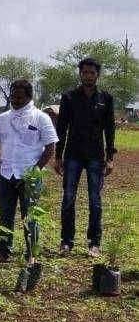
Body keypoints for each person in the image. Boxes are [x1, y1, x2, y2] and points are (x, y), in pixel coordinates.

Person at [54, 57, 116, 258]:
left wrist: (110, 157)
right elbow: (61, 128)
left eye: (92, 72)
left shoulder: (105, 99)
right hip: (73, 155)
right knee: (69, 198)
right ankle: (66, 241)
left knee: (95, 200)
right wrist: (58, 156)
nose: (88, 75)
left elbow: (110, 129)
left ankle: (94, 243)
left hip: (96, 157)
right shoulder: (69, 97)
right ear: (80, 74)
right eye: (84, 72)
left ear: (97, 75)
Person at [0, 79, 57, 261]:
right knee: (5, 215)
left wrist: (36, 171)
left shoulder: (40, 117)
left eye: (19, 97)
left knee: (30, 216)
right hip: (6, 174)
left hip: (30, 176)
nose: (15, 100)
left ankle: (31, 254)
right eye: (13, 96)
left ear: (29, 97)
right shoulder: (2, 118)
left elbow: (50, 147)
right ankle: (3, 251)